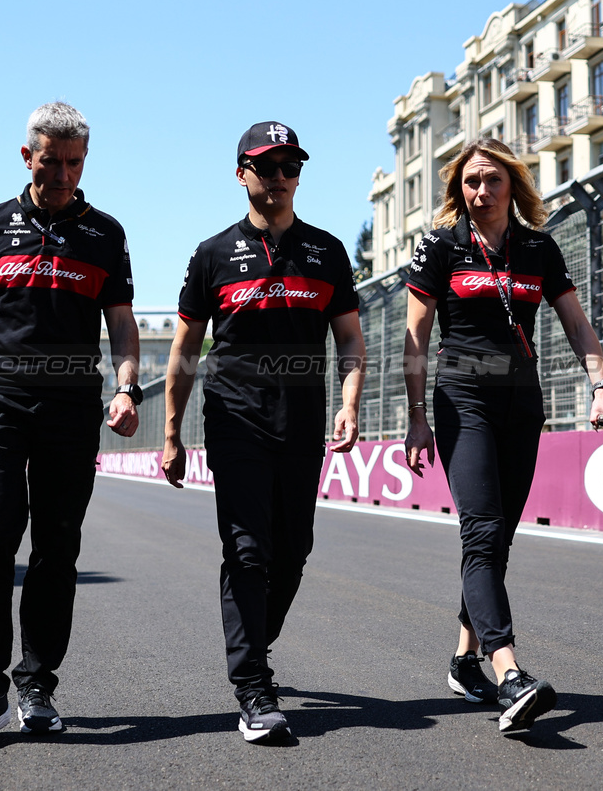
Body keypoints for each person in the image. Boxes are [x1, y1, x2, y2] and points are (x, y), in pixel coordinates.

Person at [0, 102, 142, 750]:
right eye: (53, 162)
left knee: (56, 548)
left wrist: (127, 387)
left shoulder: (106, 233)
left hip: (71, 410)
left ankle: (37, 686)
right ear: (27, 157)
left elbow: (122, 324)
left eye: (76, 163)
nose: (65, 175)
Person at [402, 138, 603, 734]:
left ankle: (462, 660)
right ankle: (508, 671)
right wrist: (417, 414)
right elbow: (416, 337)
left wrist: (600, 385)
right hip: (462, 396)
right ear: (460, 189)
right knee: (480, 528)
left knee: (498, 536)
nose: (482, 191)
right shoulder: (441, 247)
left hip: (522, 400)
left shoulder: (538, 248)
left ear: (512, 186)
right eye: (471, 182)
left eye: (492, 181)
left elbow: (576, 322)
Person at [162, 121, 366, 743]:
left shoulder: (328, 250)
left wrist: (350, 404)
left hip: (302, 423)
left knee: (293, 551)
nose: (280, 175)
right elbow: (184, 350)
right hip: (235, 419)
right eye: (267, 164)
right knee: (248, 550)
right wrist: (171, 431)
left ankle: (253, 636)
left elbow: (352, 340)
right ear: (241, 172)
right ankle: (253, 686)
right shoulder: (212, 254)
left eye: (290, 165)